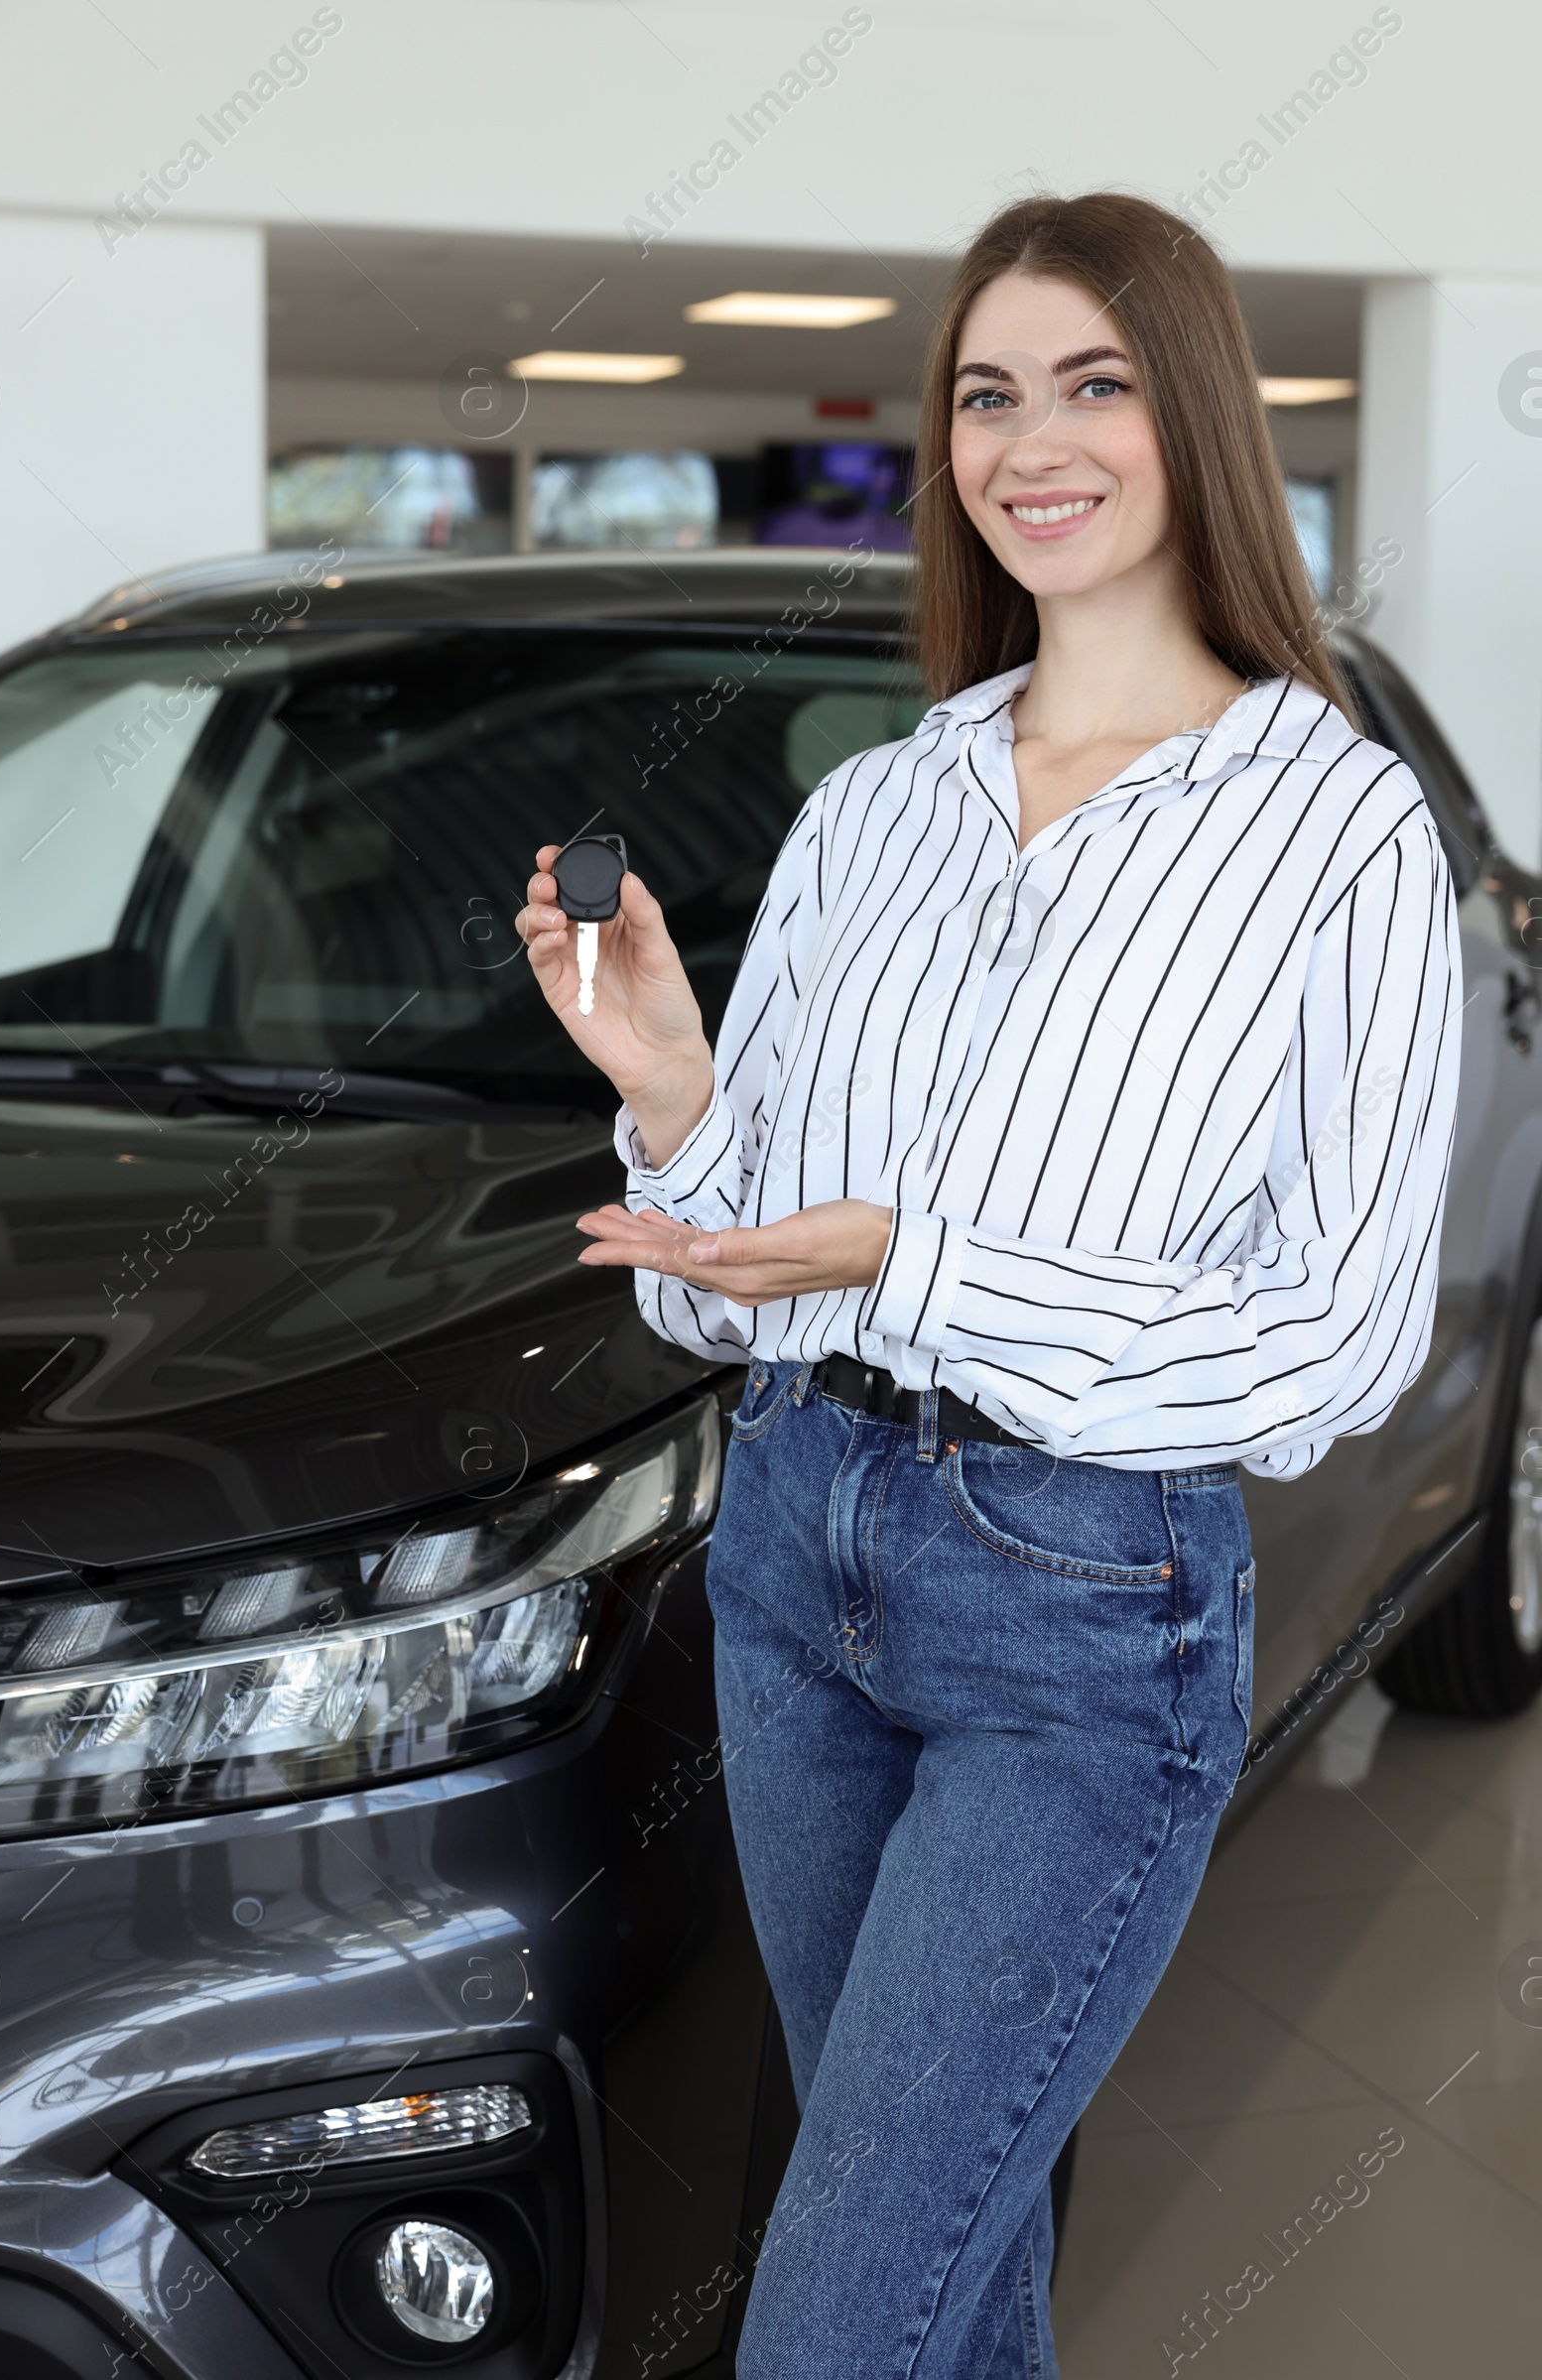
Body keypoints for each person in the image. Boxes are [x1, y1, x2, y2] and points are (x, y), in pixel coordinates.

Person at [517, 191, 1460, 2378]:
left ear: (1195, 417)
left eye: (1094, 382)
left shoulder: (1332, 832)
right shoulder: (879, 808)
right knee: (954, 2285)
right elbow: (733, 1299)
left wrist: (912, 1264)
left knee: (837, 2322)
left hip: (1081, 1621)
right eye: (984, 394)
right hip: (792, 1557)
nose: (1030, 441)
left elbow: (1331, 1336)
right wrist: (672, 1094)